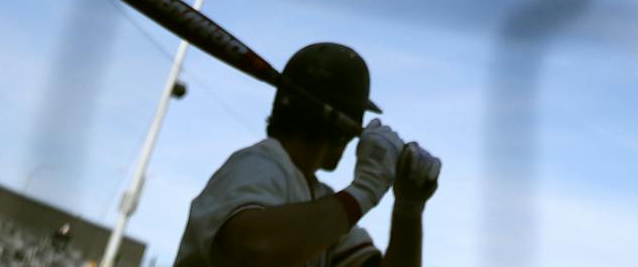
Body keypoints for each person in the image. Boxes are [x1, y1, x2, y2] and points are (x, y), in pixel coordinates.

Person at [173, 43, 441, 267]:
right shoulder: (258, 163)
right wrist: (366, 190)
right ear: (341, 126)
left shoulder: (321, 202)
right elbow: (249, 252)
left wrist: (409, 209)